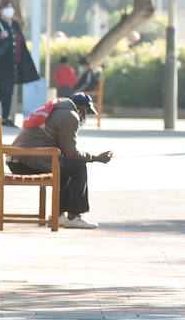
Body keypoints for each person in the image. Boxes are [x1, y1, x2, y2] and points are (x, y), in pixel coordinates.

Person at [9, 92, 112, 229]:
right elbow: (71, 153)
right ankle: (73, 216)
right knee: (78, 167)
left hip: (18, 159)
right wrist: (95, 158)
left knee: (65, 167)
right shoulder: (70, 116)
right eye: (87, 112)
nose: (85, 116)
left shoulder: (57, 109)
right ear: (80, 107)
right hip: (27, 161)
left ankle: (58, 215)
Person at [0, 0, 40, 126]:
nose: (9, 10)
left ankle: (5, 117)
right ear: (0, 10)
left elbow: (20, 42)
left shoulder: (15, 24)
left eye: (11, 7)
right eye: (6, 7)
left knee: (9, 90)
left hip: (14, 64)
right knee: (5, 88)